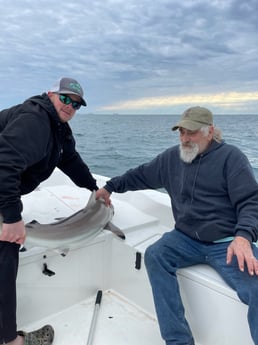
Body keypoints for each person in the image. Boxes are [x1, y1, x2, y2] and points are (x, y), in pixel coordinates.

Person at [96, 106, 258, 345]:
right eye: (181, 132)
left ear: (210, 131)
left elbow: (250, 201)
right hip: (184, 238)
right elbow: (141, 175)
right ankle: (178, 341)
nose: (184, 139)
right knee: (155, 255)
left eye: (191, 132)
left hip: (226, 243)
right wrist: (110, 186)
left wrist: (243, 236)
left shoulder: (231, 158)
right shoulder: (173, 157)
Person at [0, 77, 99, 345]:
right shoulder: (36, 120)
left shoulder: (59, 129)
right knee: (5, 253)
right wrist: (10, 218)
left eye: (76, 104)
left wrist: (93, 188)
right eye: (65, 98)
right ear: (50, 94)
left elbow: (69, 159)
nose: (70, 106)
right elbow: (4, 164)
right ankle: (10, 340)